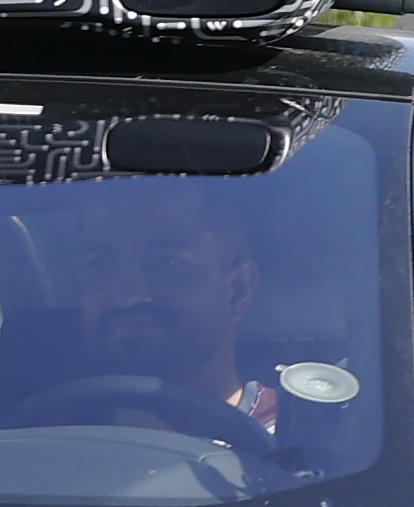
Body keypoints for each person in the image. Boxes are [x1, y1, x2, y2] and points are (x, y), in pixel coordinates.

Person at [76, 183, 298, 441]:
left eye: (168, 263)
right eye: (101, 264)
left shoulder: (298, 446)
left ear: (238, 290)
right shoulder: (45, 445)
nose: (128, 296)